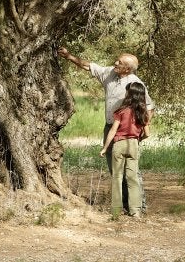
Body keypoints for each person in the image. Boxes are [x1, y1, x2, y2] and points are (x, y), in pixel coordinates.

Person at [58, 47, 154, 212]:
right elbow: (89, 66)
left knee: (132, 171)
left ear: (128, 69)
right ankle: (124, 204)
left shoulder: (136, 83)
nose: (115, 63)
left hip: (128, 132)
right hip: (110, 128)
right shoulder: (109, 73)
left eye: (120, 63)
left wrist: (140, 128)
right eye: (117, 60)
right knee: (115, 168)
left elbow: (149, 107)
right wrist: (68, 56)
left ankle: (140, 205)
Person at [100, 82, 150, 217]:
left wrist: (105, 148)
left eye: (127, 91)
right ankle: (136, 211)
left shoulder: (121, 111)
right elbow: (147, 134)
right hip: (133, 145)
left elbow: (112, 131)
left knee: (117, 177)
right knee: (132, 178)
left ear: (130, 94)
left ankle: (116, 210)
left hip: (119, 144)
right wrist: (137, 139)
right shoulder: (143, 113)